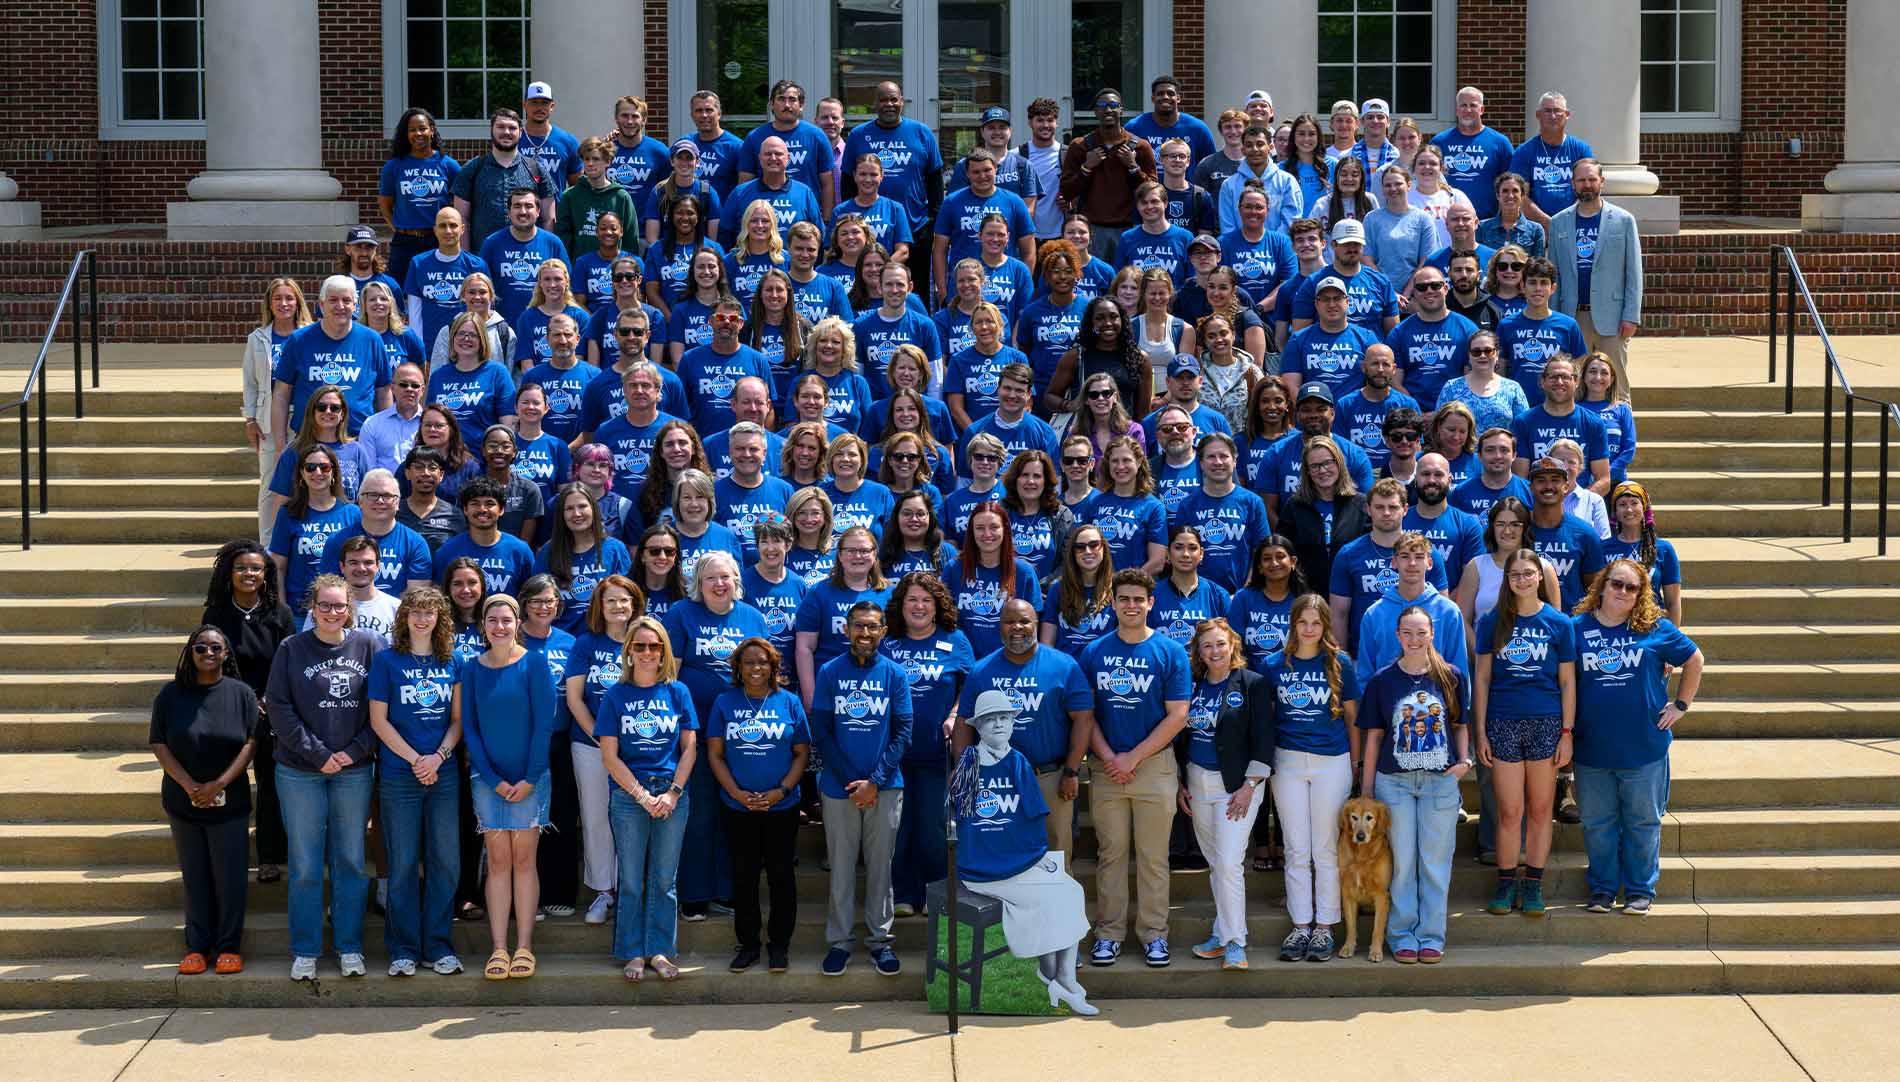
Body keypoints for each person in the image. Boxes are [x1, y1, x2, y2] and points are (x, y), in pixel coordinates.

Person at [948, 688, 1097, 1013]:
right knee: (1064, 897)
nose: (999, 724)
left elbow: (1032, 820)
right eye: (990, 720)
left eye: (1004, 718)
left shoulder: (1018, 762)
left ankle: (1059, 978)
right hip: (984, 869)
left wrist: (1034, 860)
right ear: (979, 726)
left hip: (1018, 865)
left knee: (1069, 890)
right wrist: (1011, 861)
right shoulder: (968, 763)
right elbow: (966, 827)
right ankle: (1060, 980)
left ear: (1013, 724)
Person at [1572, 560, 1704, 915]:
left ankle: (1639, 890)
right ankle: (1602, 889)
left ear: (1641, 594)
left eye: (1632, 588)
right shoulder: (1575, 628)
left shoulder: (1654, 628)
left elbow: (1694, 659)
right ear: (1602, 585)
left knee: (1643, 822)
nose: (1623, 592)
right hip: (1591, 748)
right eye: (1617, 584)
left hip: (1644, 747)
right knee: (1598, 824)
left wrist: (1680, 705)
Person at [266, 574, 378, 981]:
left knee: (349, 861)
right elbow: (278, 706)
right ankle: (306, 949)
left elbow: (378, 709)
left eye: (340, 606)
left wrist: (351, 752)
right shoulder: (292, 648)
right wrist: (318, 754)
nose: (333, 613)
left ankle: (349, 946)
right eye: (325, 605)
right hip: (300, 772)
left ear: (351, 609)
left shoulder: (368, 646)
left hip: (354, 770)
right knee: (306, 865)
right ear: (311, 607)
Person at [1080, 569, 1191, 968]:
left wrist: (1134, 757)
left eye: (1138, 599)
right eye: (1123, 599)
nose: (1130, 606)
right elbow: (1085, 714)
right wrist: (1110, 757)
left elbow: (1178, 715)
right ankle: (1108, 934)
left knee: (1153, 857)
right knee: (1111, 855)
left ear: (1150, 603)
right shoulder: (1094, 652)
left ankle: (1154, 935)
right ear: (1113, 603)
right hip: (1107, 767)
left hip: (1154, 767)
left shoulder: (1170, 652)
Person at [1356, 605, 1472, 963]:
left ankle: (1432, 935)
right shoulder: (1382, 681)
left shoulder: (1450, 676)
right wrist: (1367, 789)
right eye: (1408, 632)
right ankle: (1402, 934)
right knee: (1403, 863)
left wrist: (1464, 761)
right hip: (1396, 783)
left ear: (1432, 634)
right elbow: (1374, 737)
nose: (1415, 639)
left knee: (1435, 864)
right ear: (1397, 636)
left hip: (1440, 783)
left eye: (1421, 632)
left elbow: (1459, 724)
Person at [454, 594, 556, 979]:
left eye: (506, 620)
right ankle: (499, 948)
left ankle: (524, 946)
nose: (500, 627)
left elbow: (544, 725)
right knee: (497, 862)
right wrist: (493, 780)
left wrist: (529, 778)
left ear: (517, 624)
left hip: (532, 778)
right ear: (483, 625)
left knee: (524, 860)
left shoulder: (535, 664)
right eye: (492, 620)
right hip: (487, 780)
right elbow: (471, 729)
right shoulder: (472, 669)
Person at [809, 601, 912, 976]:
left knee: (881, 868)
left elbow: (902, 733)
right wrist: (853, 782)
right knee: (840, 867)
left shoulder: (895, 674)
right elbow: (821, 730)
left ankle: (880, 941)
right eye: (858, 626)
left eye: (872, 627)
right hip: (839, 789)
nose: (865, 634)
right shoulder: (829, 672)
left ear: (883, 631)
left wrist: (875, 781)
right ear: (846, 629)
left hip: (885, 787)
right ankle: (839, 942)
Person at [1473, 547, 1576, 918]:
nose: (1522, 580)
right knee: (1509, 811)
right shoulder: (1491, 621)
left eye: (1528, 573)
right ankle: (1505, 881)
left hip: (1546, 722)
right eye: (1514, 575)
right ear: (1507, 580)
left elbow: (1567, 681)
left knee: (1540, 809)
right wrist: (1481, 732)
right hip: (1502, 722)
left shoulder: (1559, 623)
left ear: (1540, 577)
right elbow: (1482, 679)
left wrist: (1567, 732)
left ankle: (1533, 883)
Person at [365, 586, 463, 976]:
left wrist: (437, 757)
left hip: (443, 774)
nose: (422, 619)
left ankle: (437, 946)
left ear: (440, 618)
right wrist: (415, 759)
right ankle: (403, 948)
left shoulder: (452, 661)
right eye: (415, 612)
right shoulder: (387, 662)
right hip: (399, 775)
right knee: (403, 864)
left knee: (446, 862)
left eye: (430, 612)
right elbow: (378, 721)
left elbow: (457, 721)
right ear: (403, 617)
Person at [151, 626, 258, 976]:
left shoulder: (241, 694)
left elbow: (250, 744)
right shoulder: (170, 695)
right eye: (201, 647)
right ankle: (197, 947)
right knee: (195, 876)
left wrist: (219, 784)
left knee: (230, 878)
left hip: (230, 801)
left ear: (227, 653)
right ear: (190, 653)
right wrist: (189, 786)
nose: (208, 653)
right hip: (184, 803)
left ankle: (228, 947)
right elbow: (159, 744)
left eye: (216, 647)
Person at [598, 615, 699, 981]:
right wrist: (642, 796)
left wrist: (672, 793)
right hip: (630, 795)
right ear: (628, 651)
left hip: (672, 792)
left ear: (663, 652)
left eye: (653, 646)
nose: (646, 652)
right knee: (631, 879)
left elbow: (689, 748)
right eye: (639, 646)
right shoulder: (615, 695)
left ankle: (659, 950)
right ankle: (631, 951)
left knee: (663, 879)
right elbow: (609, 755)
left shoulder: (678, 692)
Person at [1261, 594, 1359, 962]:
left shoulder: (1339, 663)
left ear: (1324, 627)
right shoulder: (1274, 665)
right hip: (1287, 761)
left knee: (1325, 847)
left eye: (1315, 623)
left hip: (1331, 760)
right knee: (1297, 847)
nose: (1308, 629)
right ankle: (1301, 924)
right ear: (1293, 624)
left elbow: (1352, 717)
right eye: (1302, 622)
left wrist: (1356, 763)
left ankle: (1325, 927)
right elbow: (1268, 717)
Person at [1173, 617, 1273, 970]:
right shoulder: (1193, 686)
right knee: (1217, 864)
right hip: (1198, 784)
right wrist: (1181, 782)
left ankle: (1235, 942)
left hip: (1238, 786)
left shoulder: (1253, 684)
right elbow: (1181, 737)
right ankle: (1220, 932)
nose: (1215, 651)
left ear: (1233, 645)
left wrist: (1250, 786)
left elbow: (1264, 739)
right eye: (1207, 646)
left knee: (1230, 863)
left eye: (1220, 643)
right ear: (1199, 652)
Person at [705, 636, 810, 973]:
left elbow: (802, 753)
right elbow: (715, 754)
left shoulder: (789, 702)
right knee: (744, 876)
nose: (756, 668)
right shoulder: (724, 702)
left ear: (773, 666)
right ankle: (748, 944)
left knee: (781, 876)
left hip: (782, 806)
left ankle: (779, 946)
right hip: (739, 807)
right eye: (749, 662)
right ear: (738, 667)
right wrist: (736, 792)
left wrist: (781, 790)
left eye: (762, 662)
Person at [878, 573, 975, 917]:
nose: (918, 607)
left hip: (938, 753)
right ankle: (903, 894)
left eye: (926, 601)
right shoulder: (886, 642)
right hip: (893, 754)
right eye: (911, 600)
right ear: (900, 606)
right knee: (899, 827)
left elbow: (970, 688)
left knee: (934, 828)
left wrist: (953, 714)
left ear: (937, 607)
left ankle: (937, 894)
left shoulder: (956, 640)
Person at [560, 573, 642, 927]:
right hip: (590, 745)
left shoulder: (647, 642)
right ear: (599, 606)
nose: (618, 607)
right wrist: (602, 738)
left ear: (635, 604)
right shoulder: (585, 644)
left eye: (624, 600)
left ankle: (630, 890)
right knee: (596, 818)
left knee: (632, 819)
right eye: (611, 601)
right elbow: (576, 700)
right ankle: (603, 891)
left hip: (639, 747)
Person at [1550, 159, 1643, 404]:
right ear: (1573, 184)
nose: (1587, 185)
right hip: (1572, 316)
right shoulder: (1559, 221)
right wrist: (1554, 317)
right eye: (1581, 180)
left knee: (1616, 383)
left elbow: (1634, 272)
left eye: (1592, 179)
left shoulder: (1623, 220)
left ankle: (1622, 438)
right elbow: (1554, 275)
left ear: (1601, 181)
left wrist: (1631, 315)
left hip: (1612, 316)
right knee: (1574, 382)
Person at [272, 277, 392, 448]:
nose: (340, 306)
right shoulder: (299, 340)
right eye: (333, 300)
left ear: (355, 305)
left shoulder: (372, 340)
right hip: (309, 442)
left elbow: (384, 392)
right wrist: (279, 445)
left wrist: (384, 441)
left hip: (360, 441)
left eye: (346, 300)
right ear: (322, 305)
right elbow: (281, 395)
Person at [245, 279, 314, 543]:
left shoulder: (311, 335)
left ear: (298, 302)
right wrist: (250, 419)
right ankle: (268, 541)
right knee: (271, 481)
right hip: (268, 418)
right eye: (278, 299)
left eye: (289, 298)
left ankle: (299, 536)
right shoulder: (258, 339)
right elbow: (250, 382)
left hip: (305, 415)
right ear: (269, 304)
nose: (284, 304)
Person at [1353, 531, 1468, 688]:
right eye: (1405, 556)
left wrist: (1459, 709)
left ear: (1429, 563)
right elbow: (1365, 675)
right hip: (1387, 708)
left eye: (1419, 557)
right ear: (1394, 562)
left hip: (1437, 708)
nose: (1412, 563)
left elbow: (1459, 672)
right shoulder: (1374, 614)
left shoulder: (1449, 612)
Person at [1060, 88, 1159, 262]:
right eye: (1102, 105)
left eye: (1113, 105)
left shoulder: (1140, 147)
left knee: (1128, 284)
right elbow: (1067, 191)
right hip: (1092, 230)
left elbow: (1154, 191)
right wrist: (1086, 167)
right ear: (1095, 112)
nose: (1108, 110)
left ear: (1121, 109)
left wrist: (1133, 166)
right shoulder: (1080, 146)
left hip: (1129, 229)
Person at [268, 445, 362, 622]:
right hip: (299, 612)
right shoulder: (288, 513)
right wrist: (282, 607)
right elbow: (278, 566)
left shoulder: (353, 513)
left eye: (324, 467)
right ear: (301, 474)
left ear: (334, 472)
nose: (317, 472)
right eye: (310, 467)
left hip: (341, 611)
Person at [380, 108, 460, 284]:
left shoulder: (448, 165)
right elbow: (385, 204)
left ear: (432, 130)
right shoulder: (394, 166)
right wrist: (399, 227)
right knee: (398, 293)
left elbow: (461, 203)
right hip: (404, 242)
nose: (418, 133)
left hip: (438, 240)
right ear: (406, 134)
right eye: (412, 129)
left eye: (422, 128)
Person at [1385, 265, 1479, 412]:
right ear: (1414, 293)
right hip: (1412, 417)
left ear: (1446, 288)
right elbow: (1394, 382)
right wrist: (1416, 413)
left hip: (1457, 415)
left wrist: (1445, 414)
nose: (1429, 291)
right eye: (1422, 287)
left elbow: (1472, 378)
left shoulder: (1468, 329)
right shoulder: (1399, 333)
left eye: (1435, 286)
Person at [738, 79, 836, 217]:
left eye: (792, 100)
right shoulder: (755, 137)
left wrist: (826, 220)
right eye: (781, 99)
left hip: (805, 215)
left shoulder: (816, 136)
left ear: (801, 105)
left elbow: (827, 184)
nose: (787, 105)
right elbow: (745, 183)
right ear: (771, 104)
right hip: (762, 217)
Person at [1526, 455, 1609, 616]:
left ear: (1566, 486)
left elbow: (1595, 591)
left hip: (1571, 626)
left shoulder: (1585, 534)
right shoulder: (1518, 530)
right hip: (1524, 626)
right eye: (1541, 480)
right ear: (1531, 487)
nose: (1548, 486)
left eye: (1555, 480)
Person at [404, 209, 492, 360]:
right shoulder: (418, 263)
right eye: (442, 226)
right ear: (435, 230)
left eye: (453, 225)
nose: (448, 231)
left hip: (469, 347)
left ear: (462, 229)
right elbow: (414, 313)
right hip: (430, 348)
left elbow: (486, 311)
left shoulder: (477, 265)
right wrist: (419, 352)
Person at [477, 188, 572, 328]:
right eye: (517, 206)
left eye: (528, 206)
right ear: (509, 212)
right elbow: (481, 289)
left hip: (545, 329)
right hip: (502, 328)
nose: (523, 212)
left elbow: (568, 288)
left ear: (538, 212)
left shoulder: (553, 243)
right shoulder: (492, 243)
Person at [267, 385, 373, 508]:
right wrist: (278, 527)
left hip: (348, 524)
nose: (328, 411)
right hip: (305, 524)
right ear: (312, 412)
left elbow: (368, 495)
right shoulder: (294, 451)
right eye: (321, 407)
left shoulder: (357, 451)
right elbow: (282, 499)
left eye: (334, 408)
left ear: (342, 414)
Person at [725, 135, 827, 251]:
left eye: (778, 154)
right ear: (759, 158)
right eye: (768, 154)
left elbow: (818, 236)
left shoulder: (804, 193)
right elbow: (725, 235)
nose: (773, 158)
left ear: (788, 158)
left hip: (793, 267)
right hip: (748, 266)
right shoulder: (740, 193)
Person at [1509, 92, 1594, 226]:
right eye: (1547, 111)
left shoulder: (1581, 150)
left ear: (1567, 115)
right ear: (1538, 115)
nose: (1553, 116)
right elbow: (1519, 196)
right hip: (1535, 228)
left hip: (1574, 224)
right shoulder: (1524, 152)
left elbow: (1589, 189)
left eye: (1557, 111)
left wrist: (1566, 221)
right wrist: (1547, 223)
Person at [1429, 87, 1515, 220]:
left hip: (1487, 223)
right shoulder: (1439, 142)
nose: (1468, 110)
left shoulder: (1499, 142)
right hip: (1448, 221)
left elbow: (1512, 183)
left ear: (1482, 110)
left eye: (1473, 105)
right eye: (1463, 105)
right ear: (1457, 110)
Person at [556, 138, 637, 263]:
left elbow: (630, 238)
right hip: (580, 269)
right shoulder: (570, 196)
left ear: (608, 162)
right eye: (586, 159)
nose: (590, 164)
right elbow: (563, 237)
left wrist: (628, 267)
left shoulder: (621, 197)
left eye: (596, 159)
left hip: (616, 271)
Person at [1438, 332, 1528, 438]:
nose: (1482, 356)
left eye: (1488, 351)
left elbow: (1524, 429)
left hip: (1500, 453)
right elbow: (1439, 427)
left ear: (1497, 354)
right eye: (1476, 352)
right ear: (1469, 355)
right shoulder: (1451, 388)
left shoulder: (1513, 388)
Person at [1216, 125, 1301, 237]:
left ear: (1270, 147)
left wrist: (1272, 245)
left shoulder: (1287, 181)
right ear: (1243, 150)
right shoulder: (1229, 185)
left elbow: (1291, 221)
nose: (1255, 149)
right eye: (1249, 145)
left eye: (1260, 144)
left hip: (1278, 250)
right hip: (1240, 251)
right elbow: (1227, 227)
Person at [1364, 165, 1437, 294]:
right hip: (1379, 292)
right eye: (1387, 185)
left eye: (1398, 184)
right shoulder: (1371, 219)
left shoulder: (1423, 218)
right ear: (1382, 188)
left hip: (1416, 295)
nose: (1393, 189)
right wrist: (1390, 293)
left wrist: (1406, 294)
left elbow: (1426, 261)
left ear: (1409, 185)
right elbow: (1366, 259)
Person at [643, 138, 726, 247]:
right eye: (680, 158)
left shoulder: (707, 192)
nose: (684, 163)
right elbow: (652, 238)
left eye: (689, 158)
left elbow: (713, 239)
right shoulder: (660, 191)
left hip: (698, 253)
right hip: (667, 252)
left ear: (697, 163)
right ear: (672, 161)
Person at [511, 259, 589, 369]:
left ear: (567, 281)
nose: (552, 285)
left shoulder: (581, 317)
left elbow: (579, 360)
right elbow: (526, 364)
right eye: (547, 279)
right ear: (540, 283)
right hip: (537, 383)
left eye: (558, 279)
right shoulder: (527, 318)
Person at [602, 95, 670, 214]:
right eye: (624, 115)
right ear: (616, 118)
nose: (629, 121)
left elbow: (669, 191)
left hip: (647, 228)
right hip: (609, 228)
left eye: (635, 116)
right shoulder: (605, 150)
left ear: (644, 120)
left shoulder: (659, 151)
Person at [1578, 353, 1637, 484]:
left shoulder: (1622, 409)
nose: (1598, 377)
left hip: (1615, 480)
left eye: (1604, 373)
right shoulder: (1574, 409)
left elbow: (1629, 449)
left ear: (1611, 379)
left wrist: (1606, 475)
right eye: (1592, 371)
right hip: (1581, 483)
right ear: (1584, 377)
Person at [683, 89, 745, 201]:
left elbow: (743, 190)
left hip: (723, 214)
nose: (704, 115)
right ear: (692, 115)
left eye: (709, 110)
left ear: (719, 114)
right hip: (689, 215)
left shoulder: (736, 147)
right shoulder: (685, 144)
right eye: (698, 111)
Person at [1549, 438, 1611, 540]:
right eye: (1560, 461)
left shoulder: (1594, 501)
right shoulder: (1538, 499)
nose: (1565, 466)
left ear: (1580, 467)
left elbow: (1603, 543)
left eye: (1571, 462)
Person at [1478, 172, 1547, 260]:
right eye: (1505, 191)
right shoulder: (1482, 228)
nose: (1510, 196)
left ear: (1522, 196)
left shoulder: (1536, 230)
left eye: (1515, 191)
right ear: (1498, 195)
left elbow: (1537, 267)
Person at [784, 487, 838, 585]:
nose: (809, 519)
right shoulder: (782, 553)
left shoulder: (840, 551)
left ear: (825, 516)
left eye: (815, 513)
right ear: (792, 515)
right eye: (801, 513)